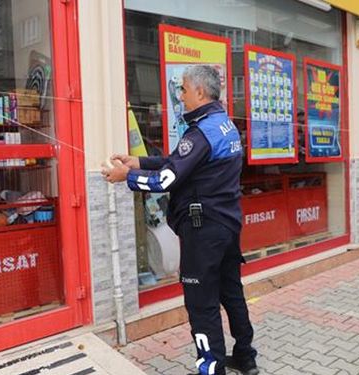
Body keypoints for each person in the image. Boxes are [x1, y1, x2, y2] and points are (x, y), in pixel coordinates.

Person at [102, 65, 259, 375]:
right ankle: (246, 356)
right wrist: (141, 161)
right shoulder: (223, 124)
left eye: (184, 90)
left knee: (201, 303)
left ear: (200, 91)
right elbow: (183, 163)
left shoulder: (201, 131)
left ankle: (211, 368)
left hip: (204, 231)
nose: (181, 96)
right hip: (227, 225)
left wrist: (127, 176)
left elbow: (166, 179)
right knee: (231, 292)